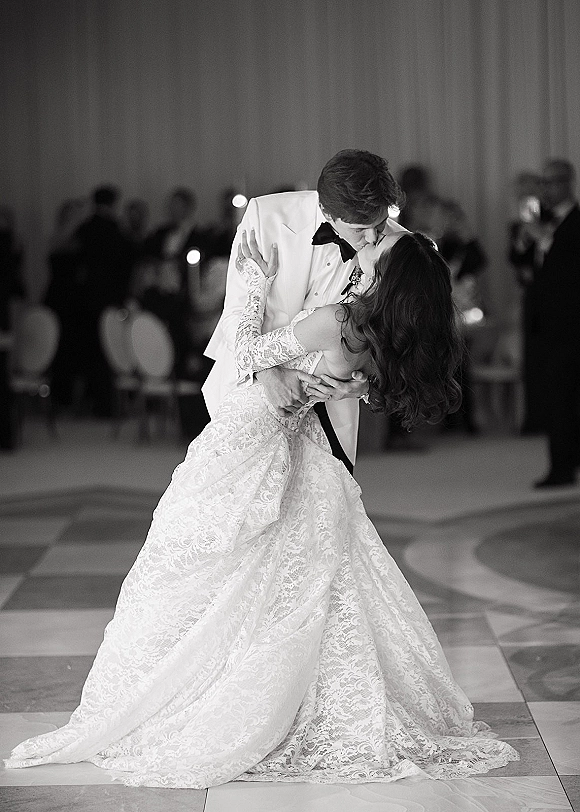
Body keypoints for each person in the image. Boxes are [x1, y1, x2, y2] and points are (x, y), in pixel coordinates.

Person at [5, 227, 518, 787]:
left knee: (203, 564)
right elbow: (366, 381)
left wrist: (248, 277)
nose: (364, 250)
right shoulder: (375, 331)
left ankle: (210, 701)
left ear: (386, 277)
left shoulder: (342, 321)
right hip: (296, 440)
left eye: (375, 251)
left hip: (252, 437)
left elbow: (246, 351)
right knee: (278, 576)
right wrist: (348, 386)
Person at [204, 150, 406, 471]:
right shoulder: (265, 216)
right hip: (250, 397)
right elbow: (234, 313)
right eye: (359, 229)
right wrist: (267, 373)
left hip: (332, 410)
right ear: (326, 211)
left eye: (379, 224)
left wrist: (369, 386)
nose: (372, 239)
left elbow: (401, 341)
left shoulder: (397, 246)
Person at [524, 159, 580, 487]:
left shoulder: (575, 221)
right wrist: (526, 241)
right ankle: (563, 463)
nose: (545, 190)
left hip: (571, 324)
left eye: (550, 183)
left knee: (564, 398)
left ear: (566, 183)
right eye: (541, 184)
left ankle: (563, 468)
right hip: (547, 324)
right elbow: (524, 262)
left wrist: (544, 241)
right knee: (556, 397)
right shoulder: (541, 221)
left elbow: (567, 269)